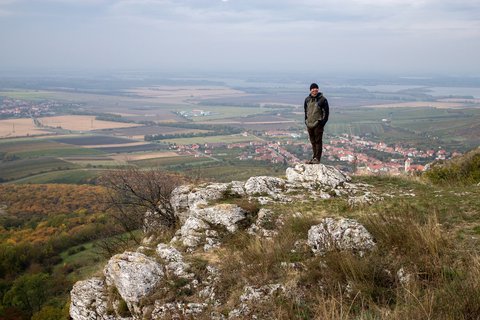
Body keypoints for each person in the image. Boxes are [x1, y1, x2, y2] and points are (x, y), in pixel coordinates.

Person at [304, 83, 329, 164]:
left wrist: (322, 123)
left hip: (318, 124)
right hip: (309, 124)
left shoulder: (322, 100)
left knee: (318, 141)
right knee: (313, 142)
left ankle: (317, 159)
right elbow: (306, 111)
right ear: (310, 90)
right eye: (313, 88)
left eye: (316, 88)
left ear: (318, 89)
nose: (315, 90)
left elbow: (326, 113)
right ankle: (314, 157)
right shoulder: (307, 100)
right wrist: (306, 121)